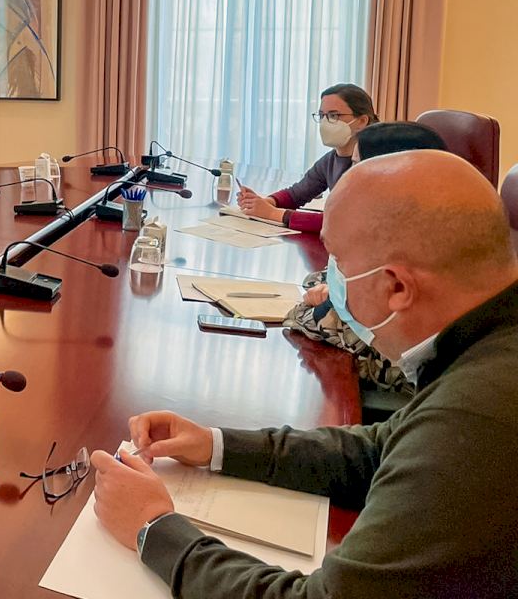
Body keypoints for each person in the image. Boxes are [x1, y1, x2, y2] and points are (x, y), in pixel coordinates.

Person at [90, 150, 518, 597]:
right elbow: (380, 449)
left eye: (338, 262)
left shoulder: (480, 416)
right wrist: (216, 445)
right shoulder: (485, 352)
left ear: (395, 286)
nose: (325, 284)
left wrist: (153, 528)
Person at [285, 121, 449, 394]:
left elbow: (309, 320)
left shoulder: (402, 249)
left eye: (357, 165)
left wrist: (322, 303)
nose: (348, 176)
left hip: (413, 392)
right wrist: (330, 293)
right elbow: (323, 278)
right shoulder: (428, 224)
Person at [237, 83, 378, 233]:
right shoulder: (330, 160)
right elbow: (296, 194)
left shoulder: (373, 163)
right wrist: (264, 202)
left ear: (362, 121)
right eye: (322, 115)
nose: (325, 123)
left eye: (333, 115)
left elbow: (341, 221)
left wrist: (272, 213)